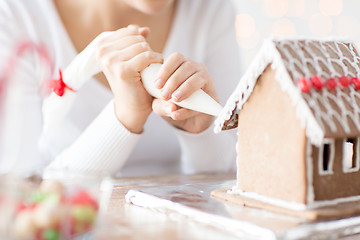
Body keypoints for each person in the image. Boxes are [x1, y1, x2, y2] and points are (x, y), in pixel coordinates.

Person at [0, 0, 241, 177]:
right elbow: (19, 194)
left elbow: (236, 175)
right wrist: (123, 117)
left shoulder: (210, 9)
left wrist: (200, 133)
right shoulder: (16, 16)